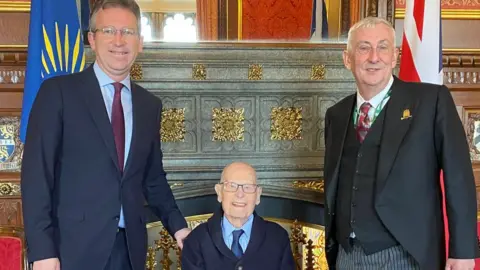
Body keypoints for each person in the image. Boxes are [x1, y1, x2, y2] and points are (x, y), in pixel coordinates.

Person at [20, 0, 190, 269]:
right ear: (92, 39)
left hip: (129, 251)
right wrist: (42, 250)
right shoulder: (58, 93)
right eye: (109, 31)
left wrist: (181, 229)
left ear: (140, 42)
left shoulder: (149, 105)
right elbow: (37, 177)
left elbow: (153, 179)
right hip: (70, 251)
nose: (119, 40)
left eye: (128, 32)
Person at [323, 17, 478, 270]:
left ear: (394, 57)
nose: (374, 57)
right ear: (347, 58)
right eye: (363, 48)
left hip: (407, 255)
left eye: (383, 47)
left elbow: (458, 178)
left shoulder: (431, 101)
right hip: (347, 256)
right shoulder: (336, 115)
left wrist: (463, 251)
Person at [181, 162, 295, 270]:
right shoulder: (196, 240)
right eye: (231, 185)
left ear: (258, 195)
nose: (240, 194)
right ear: (219, 192)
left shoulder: (278, 237)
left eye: (248, 187)